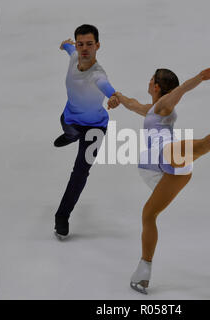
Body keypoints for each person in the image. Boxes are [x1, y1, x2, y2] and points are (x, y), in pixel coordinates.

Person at [109, 67, 210, 294]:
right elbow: (132, 103)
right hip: (178, 170)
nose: (148, 83)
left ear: (157, 86)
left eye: (151, 80)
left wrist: (198, 78)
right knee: (149, 212)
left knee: (193, 150)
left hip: (163, 153)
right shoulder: (152, 109)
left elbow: (181, 91)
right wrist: (116, 95)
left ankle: (144, 271)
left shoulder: (164, 103)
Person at [54, 24, 120, 240]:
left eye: (89, 44)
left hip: (95, 128)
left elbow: (107, 87)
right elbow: (69, 48)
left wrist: (113, 97)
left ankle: (62, 216)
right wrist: (65, 45)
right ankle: (71, 136)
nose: (84, 49)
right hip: (70, 119)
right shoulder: (74, 56)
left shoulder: (98, 76)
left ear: (97, 46)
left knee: (80, 172)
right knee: (67, 127)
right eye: (80, 44)